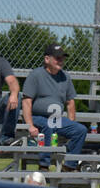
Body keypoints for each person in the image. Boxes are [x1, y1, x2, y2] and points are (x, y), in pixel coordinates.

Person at [22, 43, 88, 171]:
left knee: (80, 130)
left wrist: (70, 123)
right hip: (37, 117)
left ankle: (69, 165)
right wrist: (29, 125)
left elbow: (70, 103)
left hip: (57, 119)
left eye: (62, 58)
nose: (61, 61)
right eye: (57, 58)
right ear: (47, 59)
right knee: (48, 125)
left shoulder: (65, 77)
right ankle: (44, 165)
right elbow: (26, 101)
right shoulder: (36, 75)